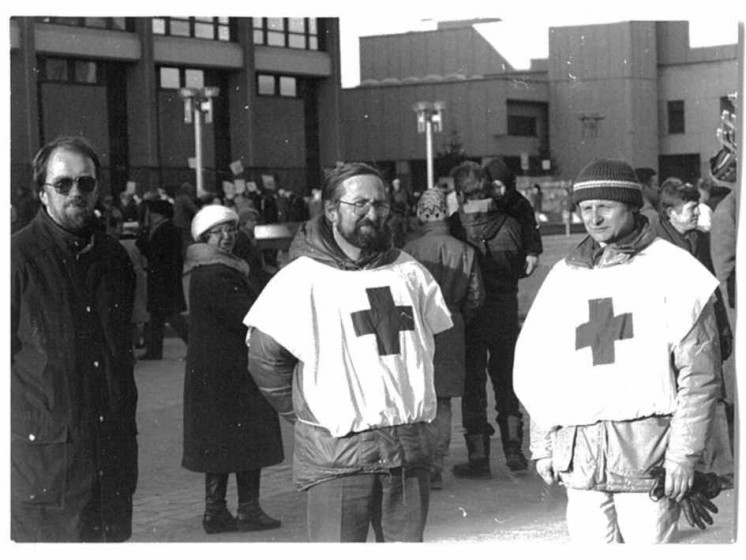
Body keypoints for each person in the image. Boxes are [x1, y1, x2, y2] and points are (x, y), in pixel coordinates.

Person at [514, 158, 721, 543]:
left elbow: (700, 376)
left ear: (630, 206)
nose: (593, 218)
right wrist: (543, 444)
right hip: (581, 459)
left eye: (604, 207)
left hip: (648, 459)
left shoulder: (674, 270)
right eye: (585, 208)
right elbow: (544, 368)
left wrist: (683, 455)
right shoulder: (565, 277)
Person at [244, 162, 453, 542]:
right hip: (339, 457)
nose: (372, 213)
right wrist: (306, 412)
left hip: (406, 452)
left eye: (380, 204)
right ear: (331, 210)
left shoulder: (409, 272)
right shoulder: (301, 278)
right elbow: (265, 360)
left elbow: (431, 346)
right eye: (359, 204)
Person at [11, 136, 138, 541]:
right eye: (63, 184)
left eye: (86, 183)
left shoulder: (114, 259)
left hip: (109, 466)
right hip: (44, 474)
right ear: (42, 192)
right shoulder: (17, 260)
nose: (76, 193)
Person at [182, 205, 284, 534]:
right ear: (204, 237)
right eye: (219, 232)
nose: (227, 236)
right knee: (246, 438)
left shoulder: (208, 268)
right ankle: (247, 510)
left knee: (221, 442)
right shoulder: (217, 273)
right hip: (233, 372)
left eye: (230, 230)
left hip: (215, 372)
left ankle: (216, 511)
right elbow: (247, 315)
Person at [448, 161, 530, 477]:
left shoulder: (455, 226)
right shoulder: (510, 224)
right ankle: (514, 450)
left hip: (470, 318)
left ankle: (479, 457)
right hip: (505, 312)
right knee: (506, 382)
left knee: (473, 388)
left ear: (460, 193)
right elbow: (521, 266)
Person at [403, 188, 484, 489]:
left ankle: (420, 464)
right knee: (443, 400)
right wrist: (460, 318)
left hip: (415, 328)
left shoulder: (408, 252)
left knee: (417, 397)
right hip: (451, 326)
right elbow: (476, 296)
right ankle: (437, 465)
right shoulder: (464, 251)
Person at [137, 199, 189, 360]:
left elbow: (155, 254)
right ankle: (154, 350)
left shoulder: (165, 230)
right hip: (164, 279)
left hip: (163, 280)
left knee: (170, 316)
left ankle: (193, 346)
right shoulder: (167, 229)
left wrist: (143, 242)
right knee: (159, 316)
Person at [483, 158, 542, 277]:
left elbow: (530, 228)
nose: (497, 191)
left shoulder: (519, 203)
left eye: (499, 186)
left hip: (511, 259)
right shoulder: (482, 201)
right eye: (493, 187)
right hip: (486, 259)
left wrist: (533, 252)